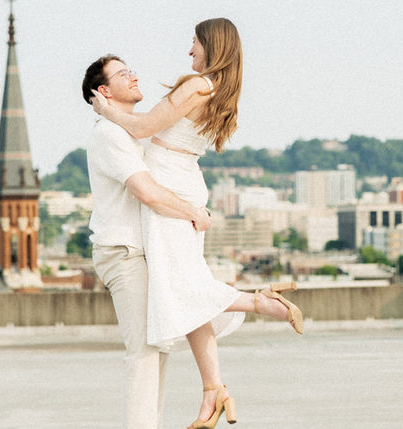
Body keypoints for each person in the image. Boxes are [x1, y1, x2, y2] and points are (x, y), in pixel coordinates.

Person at [90, 18, 303, 429]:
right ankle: (214, 391)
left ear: (210, 44)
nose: (190, 52)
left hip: (170, 185)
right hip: (183, 181)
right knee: (183, 289)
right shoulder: (219, 90)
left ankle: (261, 303)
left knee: (182, 288)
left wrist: (105, 109)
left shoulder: (197, 85)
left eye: (194, 43)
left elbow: (145, 126)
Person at [82, 54, 213, 429]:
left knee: (156, 351)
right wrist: (192, 211)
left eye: (132, 69)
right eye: (124, 74)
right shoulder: (109, 134)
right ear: (104, 91)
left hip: (142, 253)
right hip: (124, 254)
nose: (134, 76)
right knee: (143, 353)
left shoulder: (128, 131)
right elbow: (147, 192)